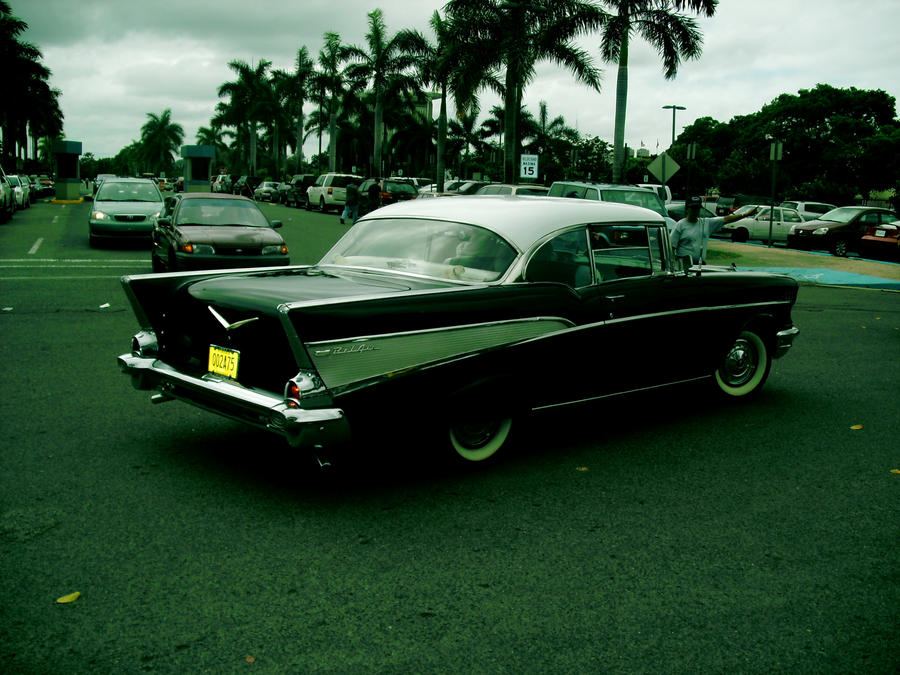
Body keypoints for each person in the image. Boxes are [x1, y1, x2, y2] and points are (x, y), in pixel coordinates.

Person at [670, 196, 753, 266]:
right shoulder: (680, 225)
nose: (696, 211)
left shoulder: (706, 223)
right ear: (687, 209)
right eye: (693, 208)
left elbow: (726, 219)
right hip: (684, 265)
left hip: (700, 265)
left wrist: (745, 214)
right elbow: (672, 246)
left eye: (698, 208)